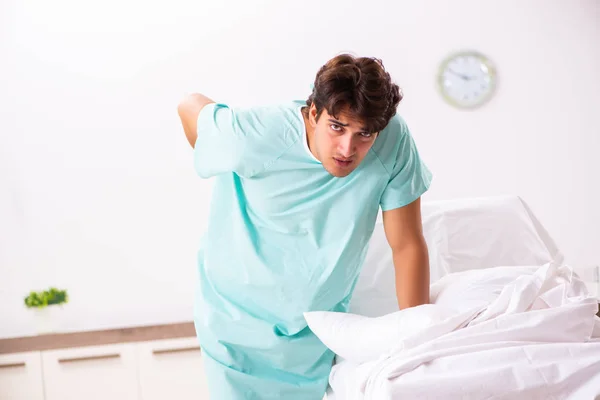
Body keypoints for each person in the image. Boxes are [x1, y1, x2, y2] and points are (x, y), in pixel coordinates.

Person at [177, 53, 433, 399]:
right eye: (337, 127)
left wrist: (416, 341)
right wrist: (214, 144)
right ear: (314, 113)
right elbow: (188, 105)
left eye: (364, 134)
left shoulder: (393, 141)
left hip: (314, 329)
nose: (348, 148)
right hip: (234, 324)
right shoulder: (253, 136)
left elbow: (406, 245)